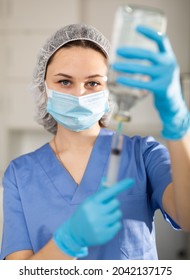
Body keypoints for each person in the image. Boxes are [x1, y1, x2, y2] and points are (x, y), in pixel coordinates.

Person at [0, 23, 190, 260]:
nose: (79, 94)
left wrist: (177, 123)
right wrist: (68, 242)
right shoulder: (20, 174)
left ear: (109, 89)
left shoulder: (143, 154)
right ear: (43, 87)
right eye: (65, 82)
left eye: (93, 83)